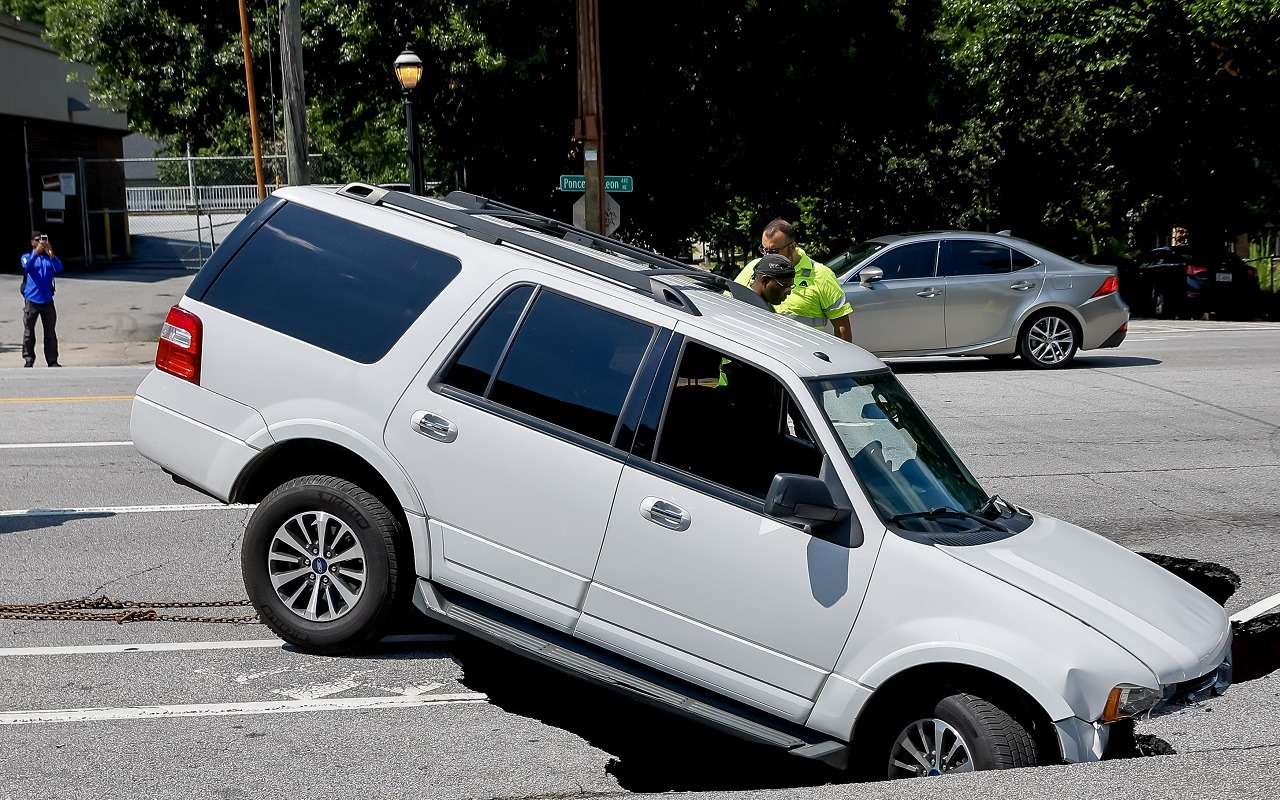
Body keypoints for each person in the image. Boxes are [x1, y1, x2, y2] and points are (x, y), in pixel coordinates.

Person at [735, 218, 853, 341]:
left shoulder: (821, 275)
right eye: (764, 250)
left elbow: (842, 328)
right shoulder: (754, 267)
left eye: (774, 251)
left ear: (793, 246)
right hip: (761, 354)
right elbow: (728, 303)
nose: (768, 256)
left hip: (802, 355)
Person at [20, 231, 62, 368]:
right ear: (33, 242)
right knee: (29, 332)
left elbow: (59, 268)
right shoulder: (27, 256)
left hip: (47, 300)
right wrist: (35, 253)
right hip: (32, 300)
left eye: (43, 240)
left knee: (50, 332)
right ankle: (28, 359)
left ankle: (52, 360)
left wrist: (52, 254)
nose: (41, 242)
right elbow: (26, 268)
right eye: (38, 240)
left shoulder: (48, 258)